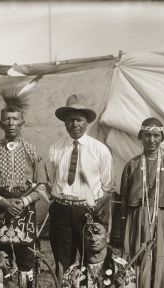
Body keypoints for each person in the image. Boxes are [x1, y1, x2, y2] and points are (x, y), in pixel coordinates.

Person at [0, 89, 48, 288]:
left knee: (26, 262)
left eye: (15, 119)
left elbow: (42, 186)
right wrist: (2, 201)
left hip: (23, 213)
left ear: (22, 123)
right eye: (7, 119)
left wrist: (22, 201)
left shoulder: (31, 150)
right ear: (0, 123)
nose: (11, 123)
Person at [45, 94, 114, 277]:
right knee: (63, 260)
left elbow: (107, 188)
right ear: (64, 123)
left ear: (86, 123)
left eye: (79, 120)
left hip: (88, 211)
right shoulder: (55, 149)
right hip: (61, 210)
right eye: (70, 120)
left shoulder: (100, 150)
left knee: (90, 259)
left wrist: (97, 213)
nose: (74, 124)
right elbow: (50, 182)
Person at [120, 117, 164, 288]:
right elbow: (123, 197)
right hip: (138, 219)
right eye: (147, 135)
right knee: (140, 259)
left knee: (161, 260)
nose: (151, 140)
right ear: (141, 137)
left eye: (156, 135)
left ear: (162, 137)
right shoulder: (133, 165)